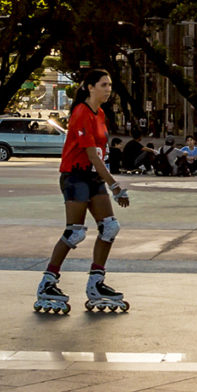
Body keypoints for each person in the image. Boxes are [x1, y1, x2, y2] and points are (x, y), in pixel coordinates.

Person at [36, 68, 132, 315]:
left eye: (110, 85)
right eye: (103, 84)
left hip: (92, 177)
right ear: (89, 87)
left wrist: (107, 181)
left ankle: (96, 283)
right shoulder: (81, 113)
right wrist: (114, 185)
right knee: (75, 232)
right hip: (75, 176)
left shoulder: (100, 114)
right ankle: (48, 283)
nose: (108, 89)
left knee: (110, 227)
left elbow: (100, 154)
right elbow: (91, 154)